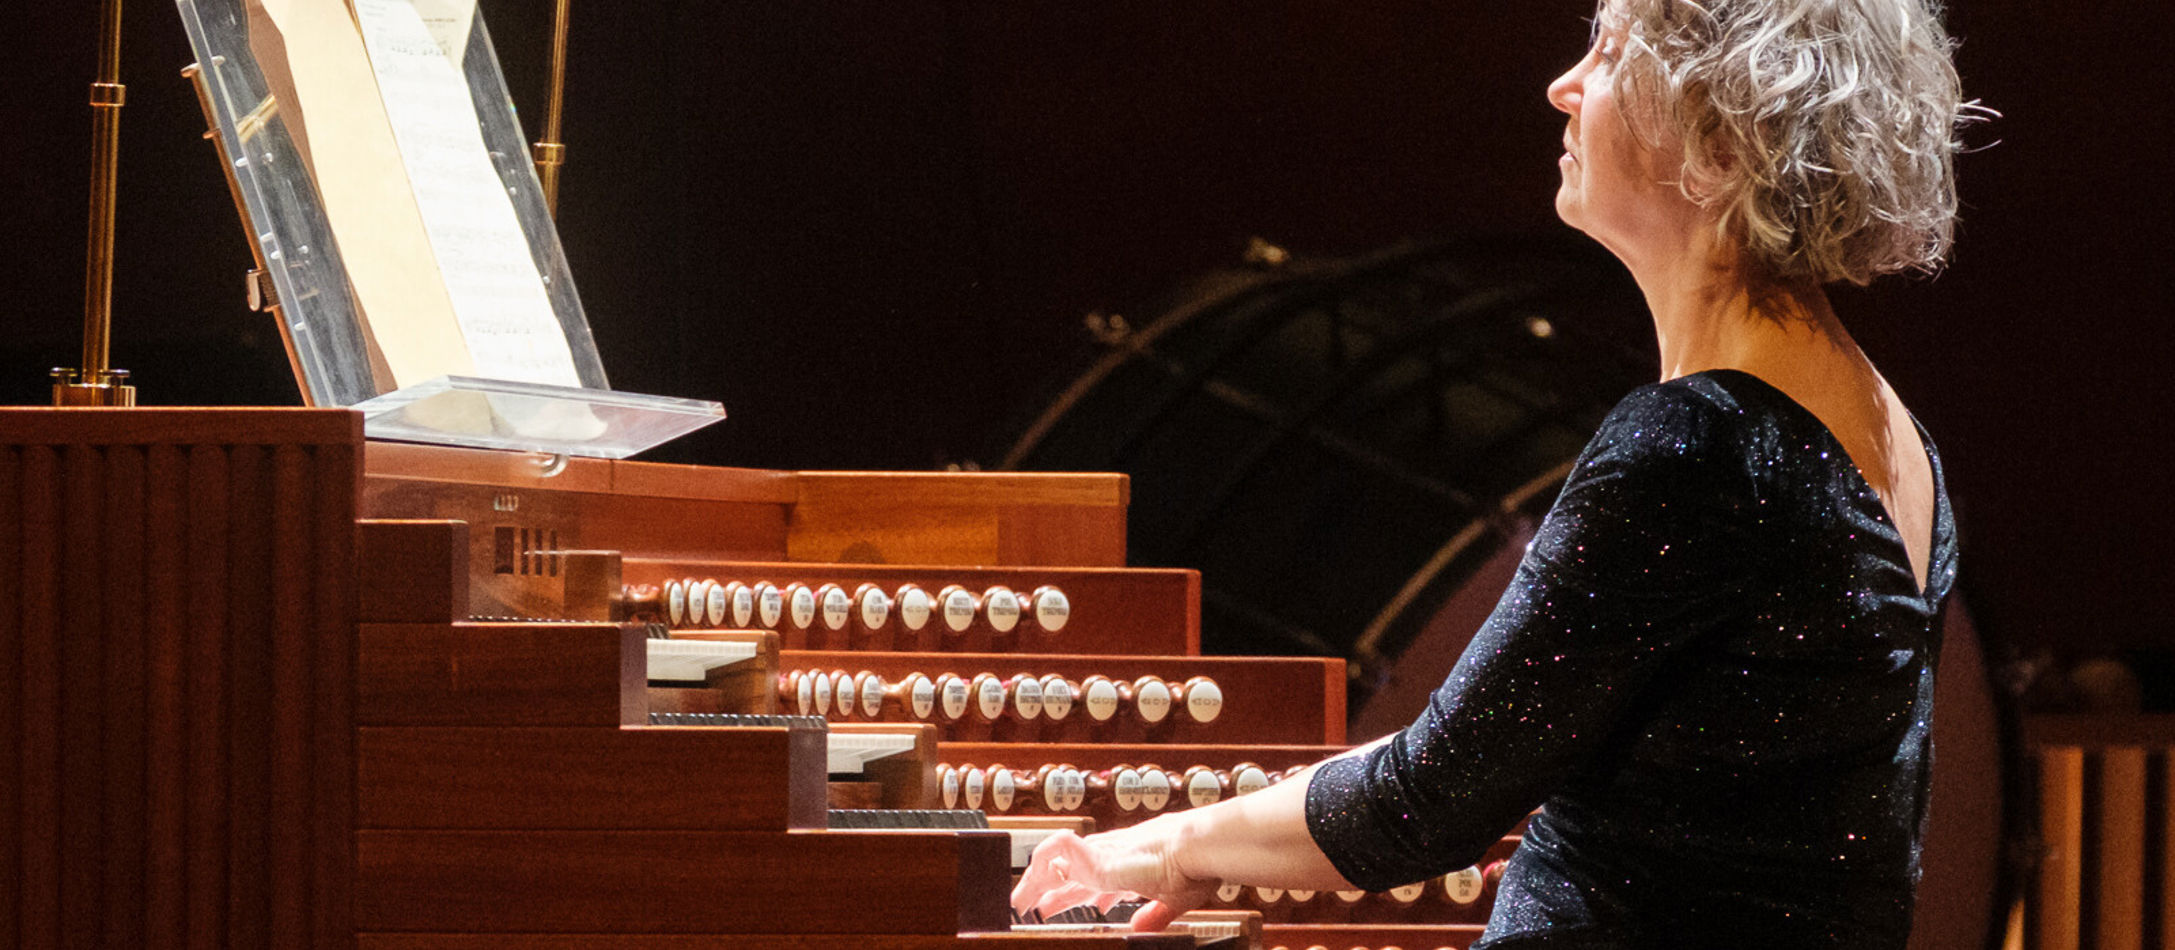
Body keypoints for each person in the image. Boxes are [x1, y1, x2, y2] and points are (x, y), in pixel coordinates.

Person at [1011, 0, 1980, 945]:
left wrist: (1163, 845)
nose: (1564, 86)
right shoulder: (1895, 435)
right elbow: (1779, 801)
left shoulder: (1696, 444)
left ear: (1720, 143)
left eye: (1608, 52)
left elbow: (1420, 801)